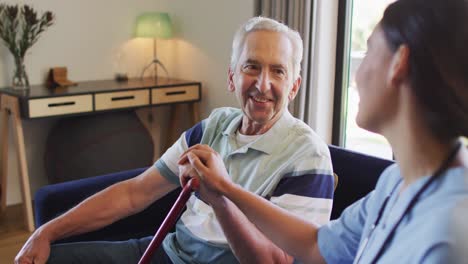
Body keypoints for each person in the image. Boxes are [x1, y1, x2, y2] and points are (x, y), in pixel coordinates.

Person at [15, 17, 335, 264]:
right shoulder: (214, 126)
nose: (262, 84)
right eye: (251, 67)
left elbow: (273, 261)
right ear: (231, 77)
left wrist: (220, 196)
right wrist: (47, 231)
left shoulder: (308, 157)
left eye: (278, 71)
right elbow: (134, 193)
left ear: (294, 87)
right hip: (165, 253)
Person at [179, 0, 468, 263]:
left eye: (368, 51)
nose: (356, 74)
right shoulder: (397, 182)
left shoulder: (449, 235)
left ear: (398, 63)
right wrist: (225, 189)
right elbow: (316, 245)